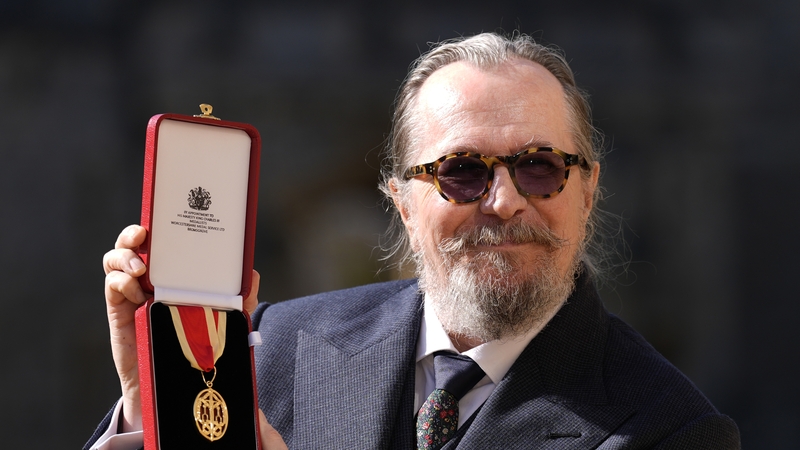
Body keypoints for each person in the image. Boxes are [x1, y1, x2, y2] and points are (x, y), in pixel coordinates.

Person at [86, 32, 741, 449]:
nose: (506, 200)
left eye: (540, 167)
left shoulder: (671, 431)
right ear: (401, 202)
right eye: (462, 172)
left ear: (588, 191)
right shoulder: (277, 348)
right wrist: (153, 412)